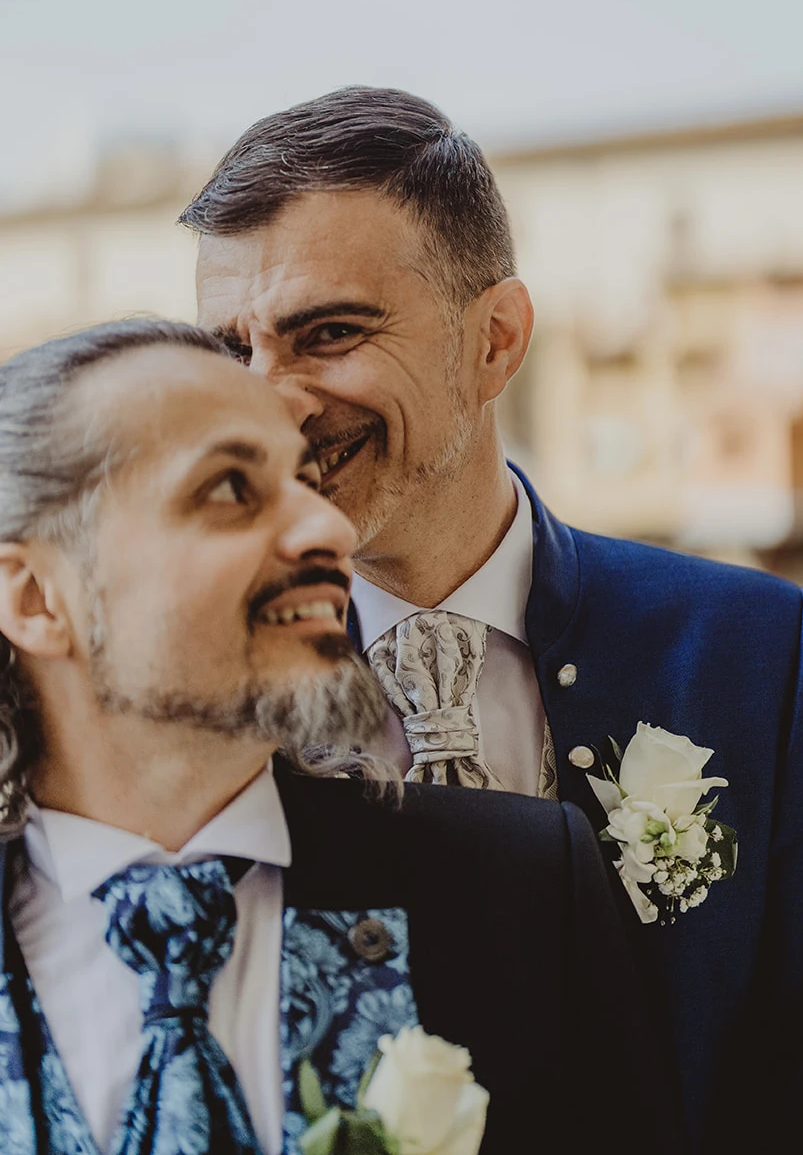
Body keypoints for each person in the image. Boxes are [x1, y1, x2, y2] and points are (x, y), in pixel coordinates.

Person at [185, 87, 803, 1154]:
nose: (268, 400)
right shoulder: (195, 694)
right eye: (231, 351)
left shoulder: (761, 659)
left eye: (327, 333)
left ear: (495, 340)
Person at [0, 320, 671, 1155]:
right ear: (34, 598)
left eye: (306, 483)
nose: (330, 534)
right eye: (229, 491)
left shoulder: (519, 887)